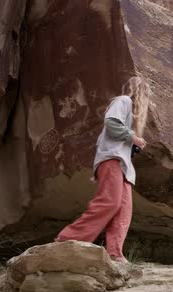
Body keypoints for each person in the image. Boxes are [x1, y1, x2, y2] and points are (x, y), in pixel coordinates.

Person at [55, 76, 151, 263]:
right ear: (139, 91)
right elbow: (111, 123)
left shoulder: (131, 114)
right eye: (147, 94)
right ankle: (68, 238)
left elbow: (119, 136)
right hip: (111, 159)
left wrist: (133, 145)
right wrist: (132, 136)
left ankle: (115, 253)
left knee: (124, 211)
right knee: (109, 202)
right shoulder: (123, 101)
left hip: (124, 166)